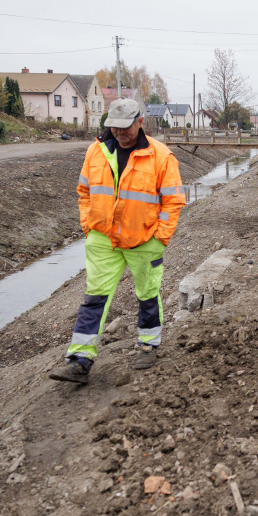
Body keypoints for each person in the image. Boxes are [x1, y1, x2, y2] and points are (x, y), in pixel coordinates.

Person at [49, 98, 186, 384]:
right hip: (103, 238)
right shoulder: (95, 151)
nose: (119, 133)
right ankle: (79, 360)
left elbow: (173, 201)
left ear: (140, 122)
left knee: (147, 294)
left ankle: (148, 345)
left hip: (144, 239)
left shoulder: (161, 156)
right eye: (114, 127)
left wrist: (160, 238)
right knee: (94, 297)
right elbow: (84, 191)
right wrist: (89, 226)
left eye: (125, 127)